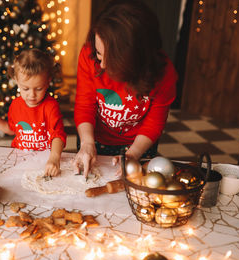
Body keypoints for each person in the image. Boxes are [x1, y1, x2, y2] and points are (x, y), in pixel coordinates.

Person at [73, 0, 178, 177]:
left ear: (133, 58)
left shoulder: (164, 72)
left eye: (112, 59)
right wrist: (86, 143)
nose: (103, 64)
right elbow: (84, 104)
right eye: (99, 54)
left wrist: (134, 153)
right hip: (94, 138)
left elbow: (154, 122)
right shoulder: (89, 54)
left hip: (140, 143)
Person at [0, 48, 66, 177]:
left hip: (45, 161)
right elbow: (12, 129)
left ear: (48, 81)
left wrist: (54, 158)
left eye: (39, 88)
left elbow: (58, 135)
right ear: (16, 80)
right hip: (19, 159)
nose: (32, 95)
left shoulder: (51, 106)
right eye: (25, 88)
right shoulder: (15, 105)